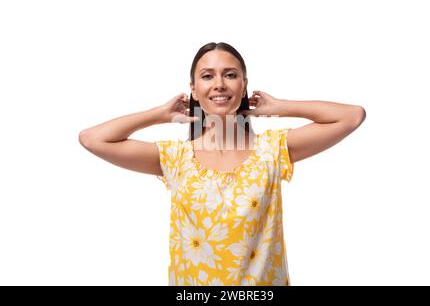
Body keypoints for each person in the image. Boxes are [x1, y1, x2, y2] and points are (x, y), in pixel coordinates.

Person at [79, 42, 366, 286]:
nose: (219, 84)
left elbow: (352, 116)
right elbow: (92, 139)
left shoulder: (273, 150)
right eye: (207, 76)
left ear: (243, 86)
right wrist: (158, 114)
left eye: (230, 75)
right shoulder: (175, 158)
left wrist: (281, 107)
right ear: (193, 89)